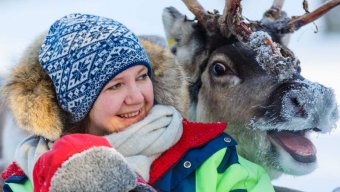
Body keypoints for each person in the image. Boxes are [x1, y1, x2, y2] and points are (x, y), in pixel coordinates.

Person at [1, 13, 275, 192]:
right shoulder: (24, 180)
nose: (137, 96)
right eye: (115, 85)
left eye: (142, 77)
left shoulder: (213, 160)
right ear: (74, 103)